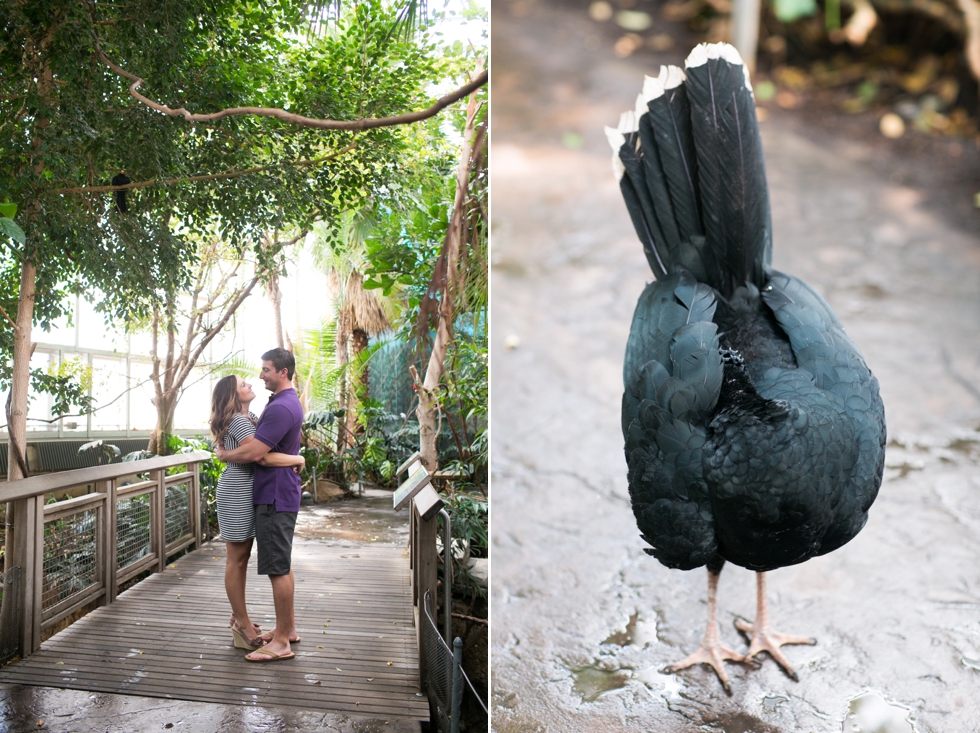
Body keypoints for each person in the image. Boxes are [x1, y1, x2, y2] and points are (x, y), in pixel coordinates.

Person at [215, 348, 304, 662]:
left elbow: (259, 454)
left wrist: (226, 455)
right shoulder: (268, 409)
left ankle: (281, 640)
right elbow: (260, 452)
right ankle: (276, 628)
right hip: (254, 492)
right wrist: (297, 457)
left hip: (272, 493)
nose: (259, 376)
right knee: (269, 562)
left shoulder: (280, 407)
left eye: (265, 370)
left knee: (277, 566)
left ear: (282, 371)